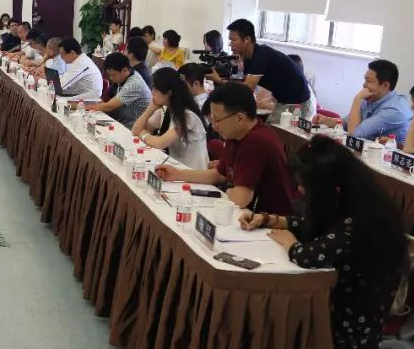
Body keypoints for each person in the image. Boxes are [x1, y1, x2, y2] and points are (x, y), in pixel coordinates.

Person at [239, 135, 407, 349]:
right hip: (329, 302)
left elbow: (309, 256)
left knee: (269, 331)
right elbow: (313, 226)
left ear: (330, 187)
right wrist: (271, 219)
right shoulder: (353, 202)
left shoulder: (362, 222)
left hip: (347, 331)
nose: (300, 190)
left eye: (305, 185)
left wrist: (290, 244)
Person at [156, 83, 296, 214]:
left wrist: (228, 189)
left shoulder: (257, 141)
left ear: (240, 118)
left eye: (217, 120)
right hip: (248, 214)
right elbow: (219, 174)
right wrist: (177, 174)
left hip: (272, 218)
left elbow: (240, 199)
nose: (214, 126)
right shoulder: (234, 135)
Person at [225, 19, 311, 123]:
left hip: (298, 101)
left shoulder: (261, 54)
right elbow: (242, 83)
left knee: (274, 130)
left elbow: (246, 90)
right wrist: (222, 80)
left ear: (247, 39)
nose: (230, 44)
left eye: (233, 40)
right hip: (283, 100)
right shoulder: (248, 59)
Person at [314, 60, 412, 143]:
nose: (364, 85)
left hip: (388, 158)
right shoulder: (371, 97)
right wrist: (326, 120)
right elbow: (346, 124)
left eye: (369, 81)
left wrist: (357, 100)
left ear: (385, 85)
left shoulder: (395, 110)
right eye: (365, 80)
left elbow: (354, 135)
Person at [131, 68, 208, 169]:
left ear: (168, 93)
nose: (152, 92)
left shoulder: (187, 116)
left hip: (192, 172)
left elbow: (160, 143)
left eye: (155, 89)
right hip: (176, 168)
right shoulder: (166, 109)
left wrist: (143, 134)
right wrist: (150, 109)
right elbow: (135, 130)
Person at [82, 52, 148, 126]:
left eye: (113, 75)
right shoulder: (125, 77)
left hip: (135, 127)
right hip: (125, 122)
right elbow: (108, 102)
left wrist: (83, 107)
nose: (111, 78)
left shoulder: (134, 84)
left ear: (125, 70)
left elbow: (109, 106)